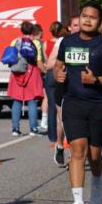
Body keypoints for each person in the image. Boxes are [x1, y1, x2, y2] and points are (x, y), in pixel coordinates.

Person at [53, 2, 102, 204]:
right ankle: (77, 202)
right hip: (72, 103)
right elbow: (58, 65)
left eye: (93, 17)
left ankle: (97, 181)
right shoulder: (67, 42)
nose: (87, 20)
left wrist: (97, 79)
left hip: (98, 105)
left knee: (94, 155)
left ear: (99, 22)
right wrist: (58, 75)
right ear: (79, 17)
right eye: (84, 16)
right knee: (77, 150)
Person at [7, 21, 45, 136]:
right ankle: (33, 129)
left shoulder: (15, 41)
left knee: (17, 100)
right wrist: (44, 70)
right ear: (33, 31)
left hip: (17, 73)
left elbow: (11, 57)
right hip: (32, 72)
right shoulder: (36, 43)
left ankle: (15, 129)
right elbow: (38, 61)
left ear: (21, 30)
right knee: (32, 100)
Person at [43, 21, 65, 165]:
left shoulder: (46, 43)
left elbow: (45, 59)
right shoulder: (63, 42)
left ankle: (52, 136)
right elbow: (49, 62)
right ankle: (59, 144)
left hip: (52, 76)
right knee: (61, 116)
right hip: (57, 77)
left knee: (52, 108)